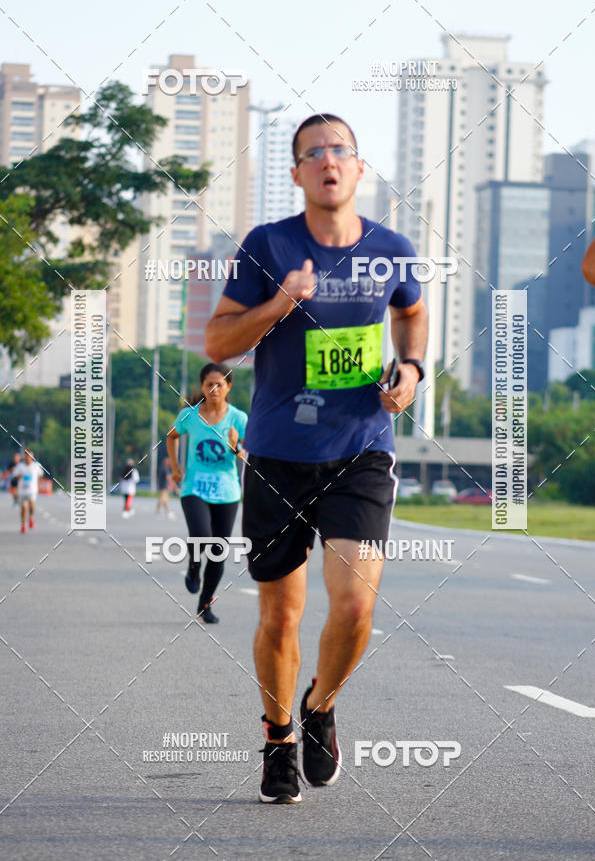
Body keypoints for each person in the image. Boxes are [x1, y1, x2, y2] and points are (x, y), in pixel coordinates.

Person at [205, 113, 428, 803]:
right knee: (280, 616)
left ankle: (320, 706)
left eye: (341, 151)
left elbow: (411, 311)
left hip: (360, 450)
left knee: (357, 608)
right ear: (297, 172)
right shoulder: (268, 245)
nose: (329, 161)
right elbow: (218, 341)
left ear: (360, 169)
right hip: (277, 454)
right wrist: (278, 302)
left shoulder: (391, 248)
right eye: (314, 153)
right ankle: (277, 739)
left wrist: (413, 370)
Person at [166, 363, 248, 623]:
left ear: (228, 387)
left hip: (227, 491)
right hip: (194, 487)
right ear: (202, 387)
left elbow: (247, 454)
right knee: (202, 535)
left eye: (219, 384)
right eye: (209, 384)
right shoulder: (189, 416)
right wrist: (176, 466)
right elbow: (171, 437)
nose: (214, 389)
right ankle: (193, 566)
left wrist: (236, 447)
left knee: (218, 550)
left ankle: (205, 604)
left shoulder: (238, 418)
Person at [13, 448, 43, 533]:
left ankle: (30, 517)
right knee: (23, 508)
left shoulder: (36, 466)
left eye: (30, 456)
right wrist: (18, 476)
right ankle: (23, 525)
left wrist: (39, 485)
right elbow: (14, 476)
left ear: (32, 457)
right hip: (22, 490)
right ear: (24, 456)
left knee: (32, 506)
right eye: (26, 456)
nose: (28, 458)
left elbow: (41, 475)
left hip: (32, 490)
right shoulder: (20, 466)